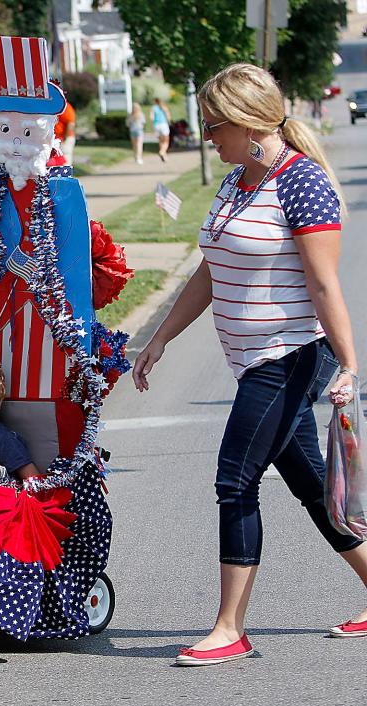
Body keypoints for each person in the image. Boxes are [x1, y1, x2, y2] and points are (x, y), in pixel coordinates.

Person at [132, 62, 366, 666]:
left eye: (213, 126)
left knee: (235, 478)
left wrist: (348, 363)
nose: (207, 136)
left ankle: (229, 629)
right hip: (250, 359)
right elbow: (210, 269)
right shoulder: (238, 181)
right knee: (313, 485)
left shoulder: (302, 182)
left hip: (289, 356)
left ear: (248, 123)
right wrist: (160, 338)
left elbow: (322, 283)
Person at [54, 99, 76, 165]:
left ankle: (65, 175)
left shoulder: (65, 106)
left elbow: (71, 123)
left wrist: (65, 137)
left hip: (64, 137)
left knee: (65, 158)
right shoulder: (52, 105)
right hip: (55, 138)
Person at [151, 97, 171, 162]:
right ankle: (162, 152)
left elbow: (151, 117)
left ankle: (164, 156)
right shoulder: (164, 107)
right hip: (163, 124)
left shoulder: (153, 108)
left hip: (156, 125)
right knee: (166, 141)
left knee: (161, 141)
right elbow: (168, 117)